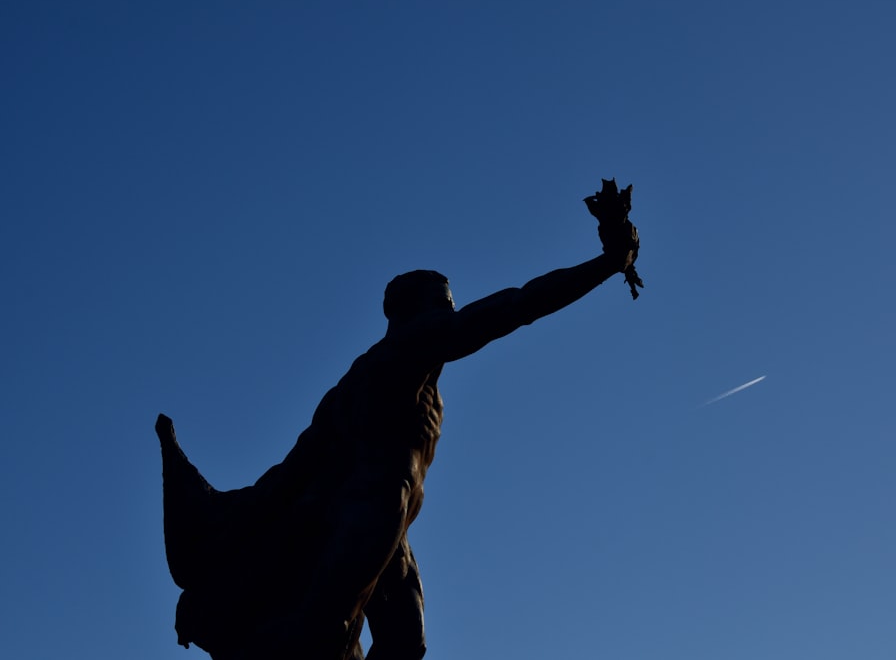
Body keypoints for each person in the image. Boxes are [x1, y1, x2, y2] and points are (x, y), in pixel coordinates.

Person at [157, 217, 639, 659]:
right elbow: (515, 306)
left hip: (394, 520)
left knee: (407, 642)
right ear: (408, 313)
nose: (450, 313)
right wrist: (604, 265)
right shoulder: (399, 355)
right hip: (370, 509)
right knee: (327, 630)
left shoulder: (389, 378)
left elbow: (292, 470)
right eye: (442, 304)